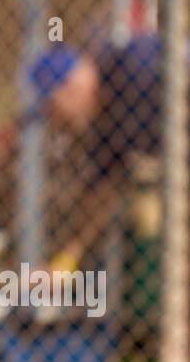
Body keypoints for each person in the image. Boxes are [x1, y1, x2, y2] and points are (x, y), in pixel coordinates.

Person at [28, 36, 161, 270]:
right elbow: (100, 191)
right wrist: (64, 263)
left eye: (54, 109)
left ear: (70, 89)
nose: (59, 122)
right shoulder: (106, 121)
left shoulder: (134, 66)